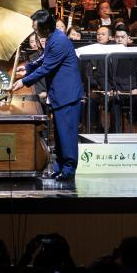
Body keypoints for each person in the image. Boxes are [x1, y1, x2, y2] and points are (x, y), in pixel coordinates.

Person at [11, 9, 85, 182]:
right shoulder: (53, 38)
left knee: (67, 134)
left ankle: (68, 170)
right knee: (59, 134)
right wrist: (27, 68)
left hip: (67, 94)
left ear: (45, 28)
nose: (34, 31)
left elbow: (46, 67)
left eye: (36, 28)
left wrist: (24, 81)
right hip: (59, 93)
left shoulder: (59, 41)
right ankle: (59, 167)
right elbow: (43, 58)